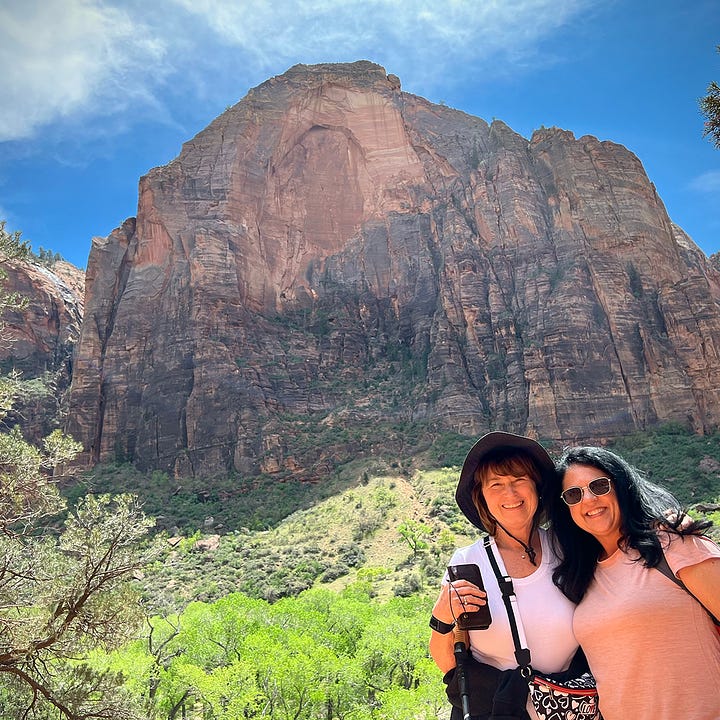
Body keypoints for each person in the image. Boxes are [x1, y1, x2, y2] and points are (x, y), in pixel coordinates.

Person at [548, 445, 720, 720]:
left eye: (599, 486)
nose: (588, 499)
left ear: (621, 485)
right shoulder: (582, 576)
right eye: (573, 494)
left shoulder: (672, 542)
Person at [429, 431, 580, 720]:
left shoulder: (568, 550)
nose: (510, 494)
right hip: (495, 711)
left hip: (570, 709)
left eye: (519, 480)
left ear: (537, 487)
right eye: (496, 484)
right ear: (481, 497)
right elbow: (447, 660)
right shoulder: (467, 562)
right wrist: (441, 617)